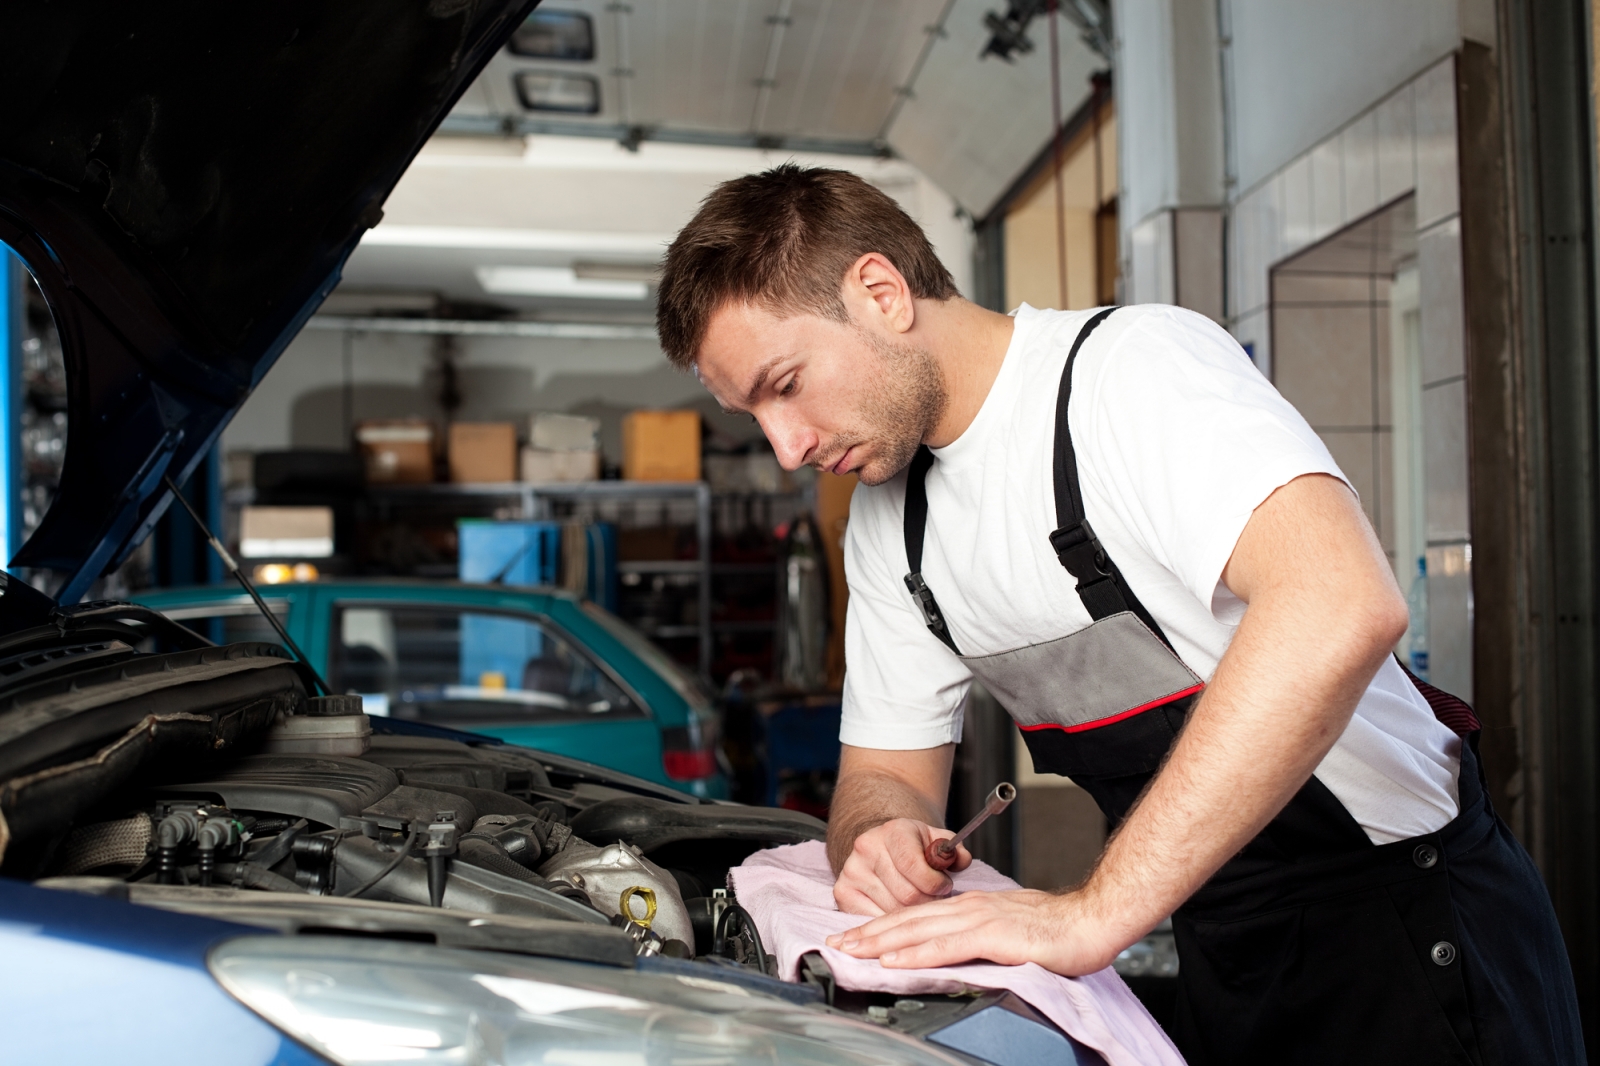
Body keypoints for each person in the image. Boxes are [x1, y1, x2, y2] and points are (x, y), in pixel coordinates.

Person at [654, 163, 1583, 1064]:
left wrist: (1093, 912)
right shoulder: (893, 524)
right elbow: (884, 774)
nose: (786, 447)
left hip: (1403, 932)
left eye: (785, 385)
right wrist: (878, 840)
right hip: (1221, 933)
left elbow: (1338, 602)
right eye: (754, 416)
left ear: (881, 292)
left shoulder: (1130, 375)